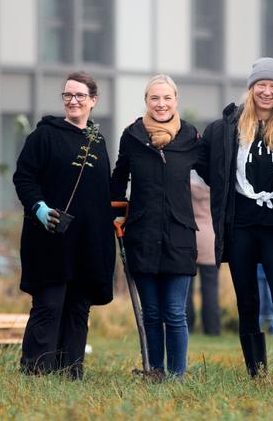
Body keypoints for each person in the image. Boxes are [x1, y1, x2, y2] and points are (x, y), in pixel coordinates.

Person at [202, 57, 273, 378]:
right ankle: (257, 373)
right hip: (240, 228)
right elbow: (204, 163)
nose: (267, 92)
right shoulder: (226, 127)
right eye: (261, 85)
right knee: (248, 306)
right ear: (251, 88)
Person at [13, 71, 115, 380]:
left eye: (80, 96)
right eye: (68, 95)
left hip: (87, 243)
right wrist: (39, 208)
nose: (73, 101)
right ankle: (35, 371)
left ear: (93, 101)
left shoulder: (97, 143)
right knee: (50, 305)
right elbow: (24, 177)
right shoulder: (44, 136)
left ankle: (71, 372)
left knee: (78, 309)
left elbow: (102, 193)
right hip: (50, 239)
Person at [111, 74, 204, 379]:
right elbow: (119, 176)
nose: (161, 104)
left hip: (179, 234)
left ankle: (177, 375)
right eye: (155, 98)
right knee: (151, 314)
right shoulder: (133, 136)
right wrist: (116, 211)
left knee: (175, 313)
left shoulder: (190, 137)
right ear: (146, 101)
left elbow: (215, 173)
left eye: (167, 98)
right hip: (142, 234)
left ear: (176, 100)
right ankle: (156, 372)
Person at [185, 171, 221, 336]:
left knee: (187, 289)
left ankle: (187, 325)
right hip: (210, 239)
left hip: (192, 237)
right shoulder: (212, 185)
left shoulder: (189, 184)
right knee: (210, 289)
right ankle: (212, 328)